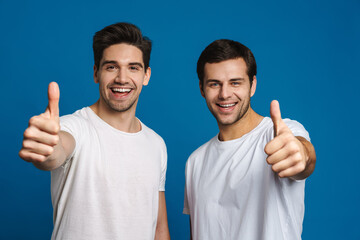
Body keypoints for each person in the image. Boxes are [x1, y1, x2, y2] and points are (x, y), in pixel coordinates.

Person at [19, 22, 170, 240]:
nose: (122, 78)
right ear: (96, 73)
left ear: (146, 75)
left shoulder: (156, 144)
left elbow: (159, 229)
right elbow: (57, 150)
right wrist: (47, 148)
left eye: (133, 68)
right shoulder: (74, 127)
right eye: (111, 67)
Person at [183, 39, 316, 240]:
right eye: (214, 84)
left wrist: (301, 155)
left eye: (235, 82)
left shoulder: (279, 135)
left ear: (252, 85)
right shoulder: (195, 161)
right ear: (202, 89)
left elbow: (304, 156)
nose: (225, 94)